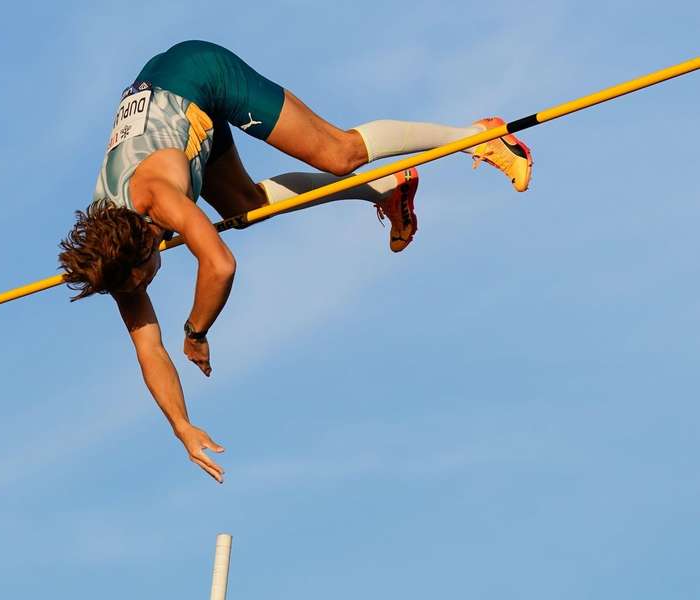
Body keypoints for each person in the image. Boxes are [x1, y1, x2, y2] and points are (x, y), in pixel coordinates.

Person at [58, 40, 533, 483]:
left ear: (143, 245)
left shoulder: (157, 198)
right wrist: (182, 426)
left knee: (338, 152)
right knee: (245, 208)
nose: (142, 289)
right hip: (175, 109)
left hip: (196, 75)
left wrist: (195, 332)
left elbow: (220, 265)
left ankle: (480, 135)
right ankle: (388, 189)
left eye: (141, 280)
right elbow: (148, 351)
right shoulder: (115, 255)